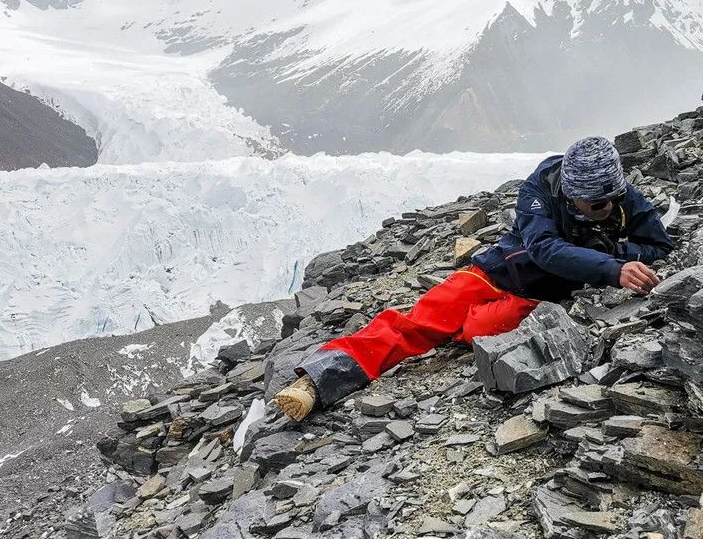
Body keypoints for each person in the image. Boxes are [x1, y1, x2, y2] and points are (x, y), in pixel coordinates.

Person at [275, 136, 674, 421]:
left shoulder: (625, 199)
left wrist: (616, 256)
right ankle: (318, 377)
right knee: (420, 321)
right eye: (583, 203)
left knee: (474, 331)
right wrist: (610, 266)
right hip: (493, 271)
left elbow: (657, 245)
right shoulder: (540, 188)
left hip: (538, 296)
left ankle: (460, 332)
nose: (592, 209)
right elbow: (544, 249)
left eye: (602, 204)